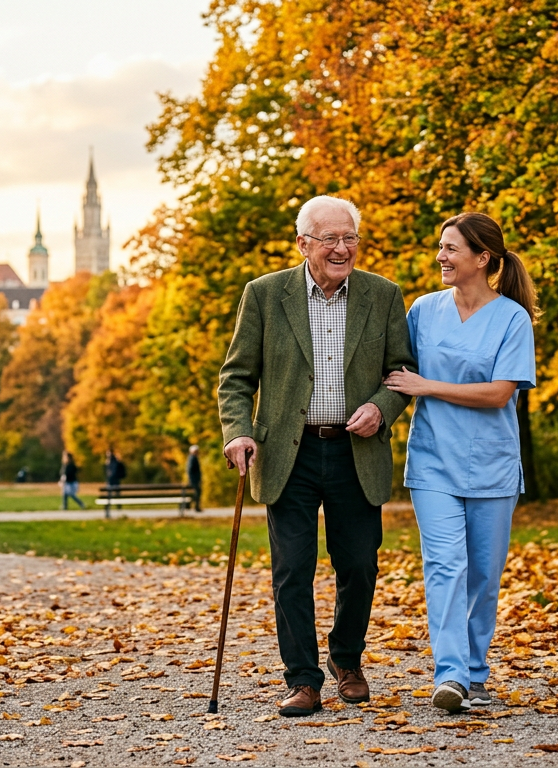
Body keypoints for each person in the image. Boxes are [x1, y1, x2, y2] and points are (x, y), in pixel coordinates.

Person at [218, 195, 415, 717]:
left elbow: (401, 371)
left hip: (356, 450)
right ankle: (302, 678)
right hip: (290, 452)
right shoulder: (264, 295)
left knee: (358, 565)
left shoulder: (383, 294)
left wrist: (382, 406)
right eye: (329, 238)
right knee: (292, 570)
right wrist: (238, 432)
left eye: (349, 237)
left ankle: (346, 660)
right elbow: (236, 378)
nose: (342, 248)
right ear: (303, 243)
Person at [384, 211, 537, 714]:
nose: (441, 257)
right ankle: (450, 676)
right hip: (432, 463)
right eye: (441, 247)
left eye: (451, 249)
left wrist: (428, 386)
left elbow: (499, 395)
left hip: (491, 465)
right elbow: (393, 371)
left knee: (483, 576)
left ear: (482, 258)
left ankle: (475, 672)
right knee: (445, 566)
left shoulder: (513, 318)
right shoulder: (423, 310)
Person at [186, 444, 203, 512]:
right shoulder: (193, 458)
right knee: (197, 493)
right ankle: (195, 507)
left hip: (194, 479)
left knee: (195, 493)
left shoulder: (191, 458)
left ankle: (189, 506)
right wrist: (194, 479)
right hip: (194, 480)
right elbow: (191, 469)